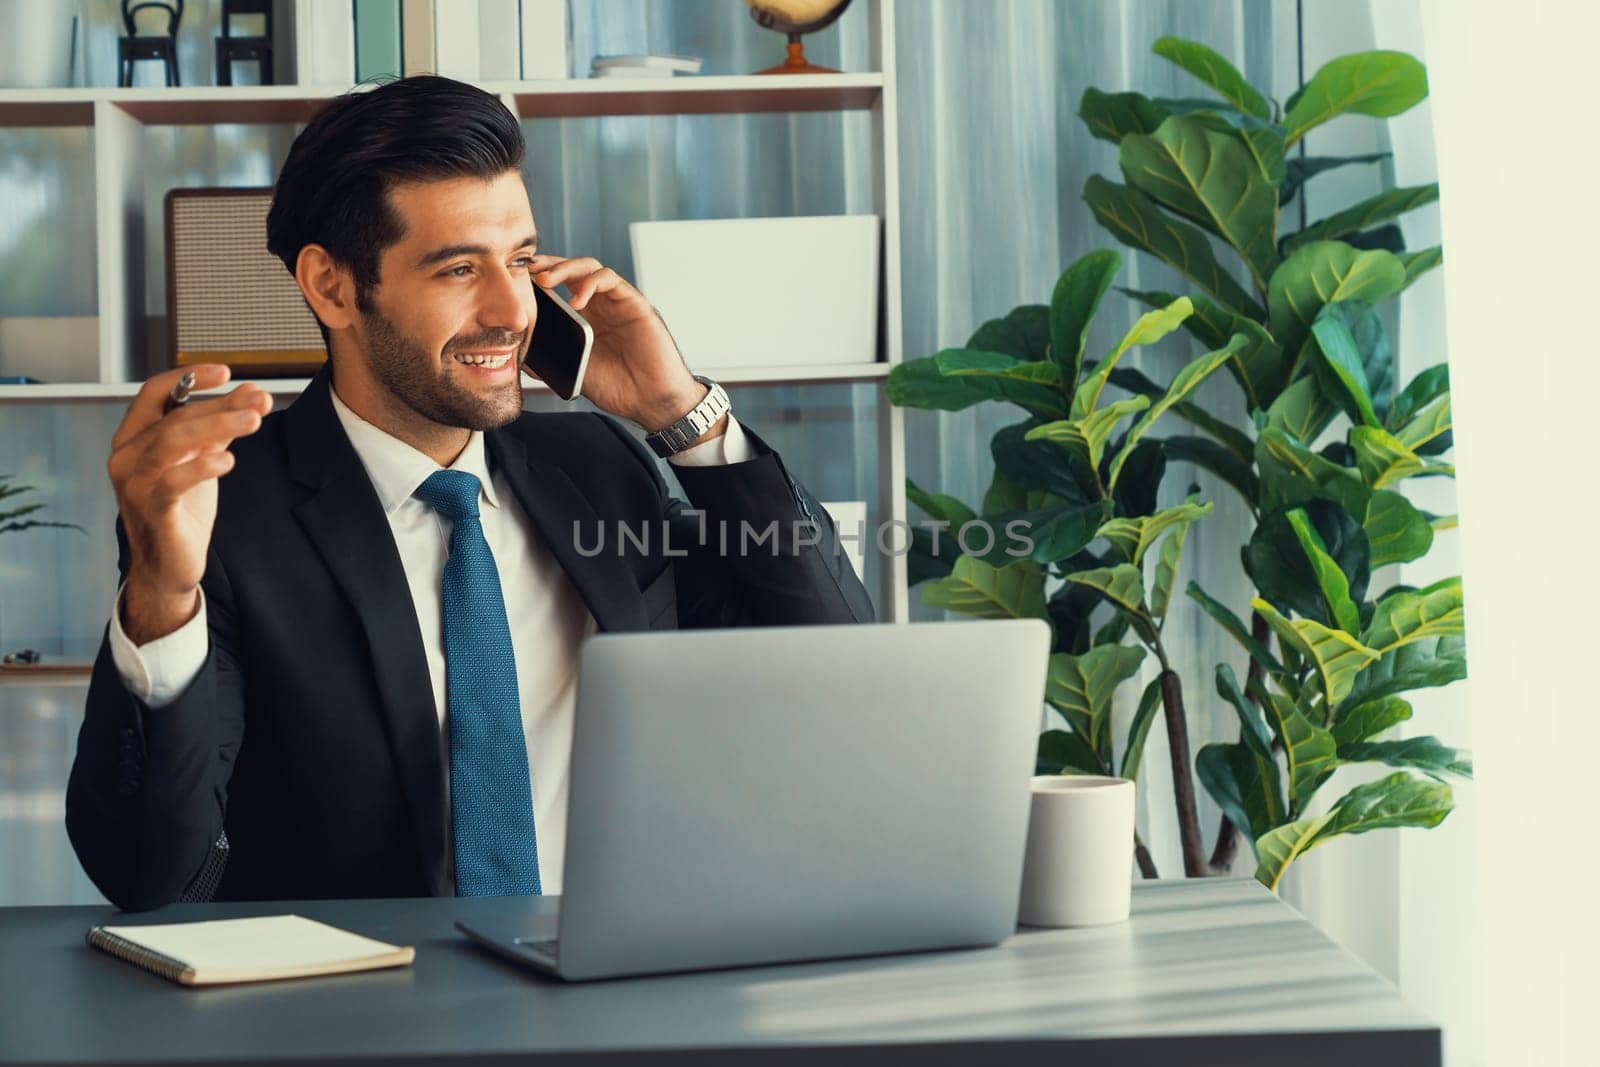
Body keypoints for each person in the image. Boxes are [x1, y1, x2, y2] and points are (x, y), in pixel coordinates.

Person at [66, 76, 874, 912]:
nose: (512, 308)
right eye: (459, 268)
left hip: (620, 982)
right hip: (367, 1016)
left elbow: (835, 670)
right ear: (332, 286)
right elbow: (150, 875)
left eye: (521, 260)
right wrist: (160, 594)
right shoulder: (224, 512)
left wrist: (686, 416)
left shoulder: (595, 465)